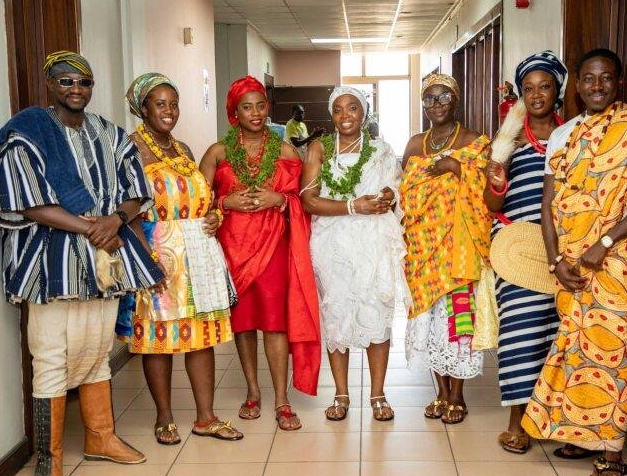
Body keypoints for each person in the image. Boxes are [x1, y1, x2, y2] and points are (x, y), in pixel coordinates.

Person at [0, 51, 164, 476]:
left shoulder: (111, 135)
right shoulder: (25, 134)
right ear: (51, 85)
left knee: (96, 350)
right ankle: (50, 458)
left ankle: (100, 437)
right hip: (50, 265)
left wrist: (116, 220)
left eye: (84, 82)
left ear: (92, 87)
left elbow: (135, 191)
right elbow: (26, 201)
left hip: (104, 260)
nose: (76, 89)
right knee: (51, 355)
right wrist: (93, 225)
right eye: (66, 81)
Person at [521, 48, 627, 476]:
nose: (596, 86)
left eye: (606, 78)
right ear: (576, 85)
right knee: (574, 349)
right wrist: (556, 261)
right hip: (571, 262)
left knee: (613, 354)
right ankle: (581, 436)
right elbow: (548, 204)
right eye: (588, 79)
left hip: (619, 261)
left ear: (619, 84)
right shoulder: (563, 135)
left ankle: (611, 452)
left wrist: (604, 243)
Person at [117, 73, 243, 444]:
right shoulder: (130, 149)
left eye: (174, 103)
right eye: (160, 104)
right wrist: (145, 261)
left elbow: (201, 198)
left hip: (197, 251)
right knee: (160, 336)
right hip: (157, 250)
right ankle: (165, 418)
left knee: (201, 336)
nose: (169, 111)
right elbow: (128, 209)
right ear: (143, 108)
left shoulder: (184, 150)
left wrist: (213, 215)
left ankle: (206, 417)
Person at [200, 76, 321, 431]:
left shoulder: (285, 151)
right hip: (232, 250)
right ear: (233, 113)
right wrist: (225, 201)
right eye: (246, 107)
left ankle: (282, 400)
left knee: (275, 323)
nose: (255, 113)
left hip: (273, 247)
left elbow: (306, 199)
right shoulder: (217, 152)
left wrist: (279, 199)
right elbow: (195, 200)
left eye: (260, 106)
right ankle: (253, 391)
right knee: (244, 323)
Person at [300, 86, 411, 421]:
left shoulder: (381, 149)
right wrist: (353, 205)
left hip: (374, 239)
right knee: (337, 315)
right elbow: (308, 199)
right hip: (332, 242)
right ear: (331, 115)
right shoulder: (319, 148)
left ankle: (378, 394)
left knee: (377, 312)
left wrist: (390, 195)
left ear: (364, 113)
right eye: (338, 109)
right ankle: (341, 394)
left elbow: (398, 183)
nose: (345, 116)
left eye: (352, 108)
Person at [401, 73, 497, 424]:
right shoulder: (414, 144)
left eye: (443, 98)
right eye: (429, 99)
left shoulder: (475, 142)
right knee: (428, 322)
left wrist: (456, 168)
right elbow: (405, 195)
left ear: (456, 101)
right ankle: (440, 392)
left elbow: (489, 193)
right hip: (422, 248)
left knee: (458, 320)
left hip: (460, 247)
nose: (436, 105)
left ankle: (458, 394)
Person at [484, 51, 567, 454]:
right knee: (519, 334)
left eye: (544, 86)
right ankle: (517, 420)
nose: (537, 95)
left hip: (565, 251)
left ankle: (558, 421)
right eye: (529, 89)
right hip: (517, 249)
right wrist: (496, 181)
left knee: (559, 336)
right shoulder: (508, 139)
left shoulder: (573, 134)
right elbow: (492, 205)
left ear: (557, 90)